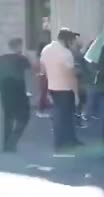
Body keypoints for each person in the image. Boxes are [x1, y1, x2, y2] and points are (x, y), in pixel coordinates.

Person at [40, 28, 81, 156]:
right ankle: (63, 146)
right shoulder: (66, 53)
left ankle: (67, 142)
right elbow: (71, 76)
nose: (73, 42)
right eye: (72, 39)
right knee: (65, 118)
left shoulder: (46, 49)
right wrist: (76, 94)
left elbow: (43, 70)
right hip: (66, 89)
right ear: (66, 39)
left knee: (59, 117)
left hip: (53, 87)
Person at [0, 38, 31, 152]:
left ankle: (6, 145)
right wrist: (29, 91)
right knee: (24, 117)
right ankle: (11, 142)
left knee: (8, 118)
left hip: (5, 92)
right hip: (19, 92)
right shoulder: (22, 59)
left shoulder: (1, 59)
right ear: (18, 46)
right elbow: (28, 76)